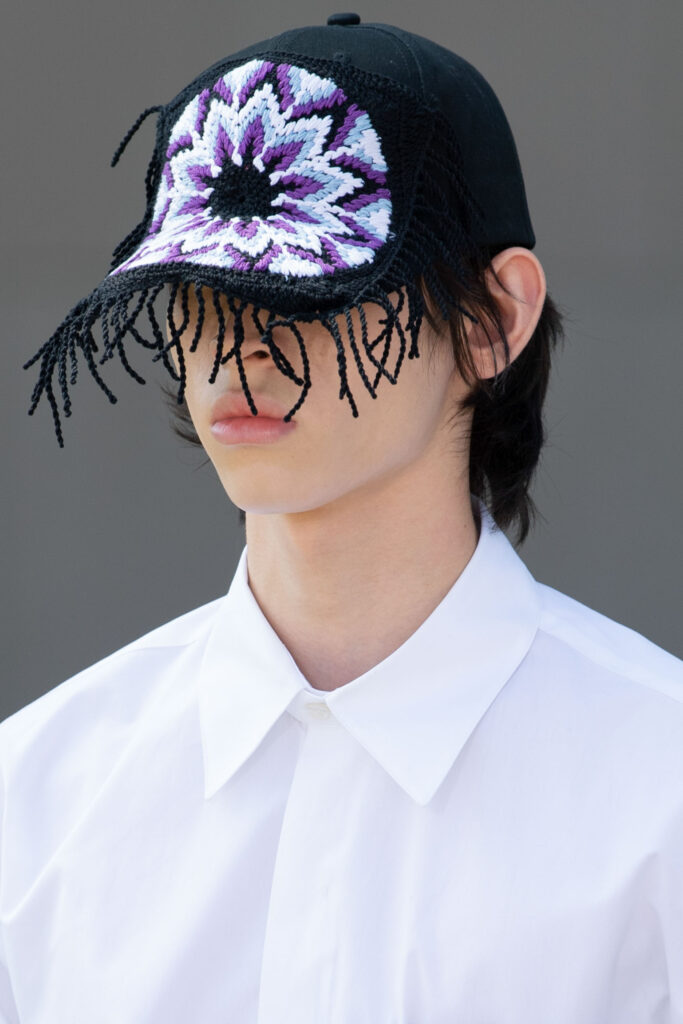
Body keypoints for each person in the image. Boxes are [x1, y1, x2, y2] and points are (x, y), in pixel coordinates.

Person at [5, 13, 682, 1023]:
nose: (238, 345)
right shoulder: (38, 798)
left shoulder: (655, 792)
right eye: (196, 290)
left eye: (310, 287)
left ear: (495, 318)